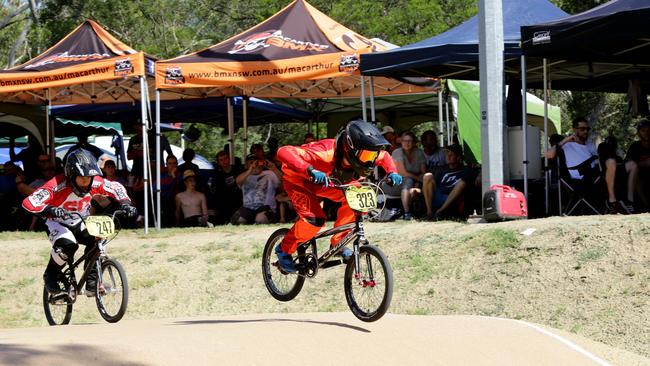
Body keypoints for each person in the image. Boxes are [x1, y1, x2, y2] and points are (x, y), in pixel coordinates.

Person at [274, 119, 403, 273]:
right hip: (300, 181)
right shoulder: (326, 152)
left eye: (372, 155)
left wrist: (392, 171)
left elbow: (383, 156)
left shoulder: (366, 153)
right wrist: (309, 170)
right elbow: (284, 151)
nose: (370, 160)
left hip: (329, 182)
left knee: (356, 200)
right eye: (366, 155)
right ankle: (283, 249)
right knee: (314, 221)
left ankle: (338, 242)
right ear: (350, 148)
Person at [22, 149, 137, 296]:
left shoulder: (95, 182)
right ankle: (50, 275)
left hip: (79, 220)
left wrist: (125, 203)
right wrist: (49, 209)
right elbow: (29, 202)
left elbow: (116, 187)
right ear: (71, 175)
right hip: (56, 222)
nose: (85, 181)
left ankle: (92, 283)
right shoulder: (57, 184)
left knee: (97, 242)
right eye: (81, 177)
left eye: (89, 177)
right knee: (68, 246)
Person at [546, 117, 634, 214]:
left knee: (631, 165)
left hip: (595, 173)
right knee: (609, 159)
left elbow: (597, 160)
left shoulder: (590, 144)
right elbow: (548, 155)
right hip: (582, 178)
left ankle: (629, 202)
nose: (586, 131)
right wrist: (566, 140)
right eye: (582, 129)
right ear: (574, 129)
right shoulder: (567, 145)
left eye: (587, 129)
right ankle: (612, 201)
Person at [422, 144, 476, 220]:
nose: (448, 156)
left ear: (458, 157)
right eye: (447, 154)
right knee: (427, 176)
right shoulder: (440, 169)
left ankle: (439, 212)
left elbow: (478, 175)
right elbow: (426, 181)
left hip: (452, 197)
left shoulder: (466, 170)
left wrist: (478, 173)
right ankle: (429, 212)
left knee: (461, 183)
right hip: (438, 195)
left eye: (451, 154)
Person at [231, 154, 282, 225]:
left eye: (256, 162)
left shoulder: (270, 174)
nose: (254, 164)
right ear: (246, 165)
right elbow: (238, 181)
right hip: (248, 207)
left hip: (265, 207)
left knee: (260, 219)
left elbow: (283, 181)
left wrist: (274, 169)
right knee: (238, 220)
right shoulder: (245, 175)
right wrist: (250, 170)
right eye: (251, 162)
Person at [392, 131, 427, 220]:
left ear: (414, 142)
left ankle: (428, 210)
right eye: (404, 140)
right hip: (396, 182)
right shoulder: (397, 152)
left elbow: (423, 172)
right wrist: (417, 179)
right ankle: (407, 213)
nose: (406, 143)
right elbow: (402, 173)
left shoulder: (419, 153)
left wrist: (419, 182)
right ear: (401, 141)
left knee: (426, 179)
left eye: (409, 141)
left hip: (414, 182)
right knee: (408, 180)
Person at [211, 150, 244, 224]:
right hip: (224, 203)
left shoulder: (237, 170)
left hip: (238, 201)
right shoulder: (217, 174)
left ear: (229, 159)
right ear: (218, 162)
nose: (224, 161)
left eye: (225, 159)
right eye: (221, 160)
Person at [626, 119, 650, 210]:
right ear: (639, 133)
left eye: (648, 130)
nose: (646, 133)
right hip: (639, 176)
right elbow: (629, 165)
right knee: (638, 179)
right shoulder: (635, 147)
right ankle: (646, 207)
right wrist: (644, 163)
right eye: (643, 131)